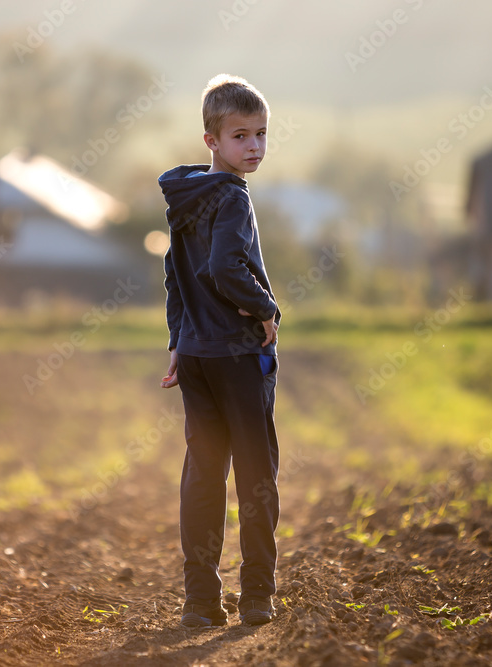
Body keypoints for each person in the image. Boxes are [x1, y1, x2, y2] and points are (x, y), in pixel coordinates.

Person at [158, 73, 282, 628]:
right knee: (256, 474)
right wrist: (266, 309)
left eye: (260, 134)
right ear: (212, 140)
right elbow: (222, 268)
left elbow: (175, 277)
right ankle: (256, 595)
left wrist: (179, 343)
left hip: (198, 358)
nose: (253, 146)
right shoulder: (232, 196)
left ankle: (201, 603)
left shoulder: (186, 196)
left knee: (203, 474)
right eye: (240, 136)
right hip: (236, 356)